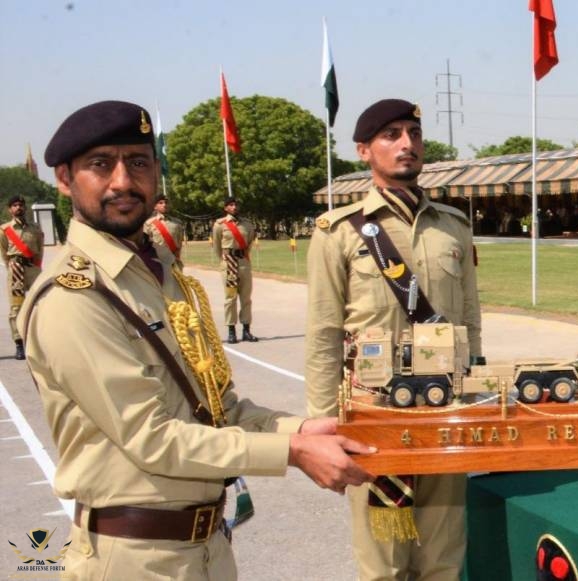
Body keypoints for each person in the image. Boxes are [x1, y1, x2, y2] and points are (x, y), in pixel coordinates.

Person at [20, 100, 375, 580]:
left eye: (139, 163)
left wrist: (300, 430)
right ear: (65, 179)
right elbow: (154, 439)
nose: (123, 181)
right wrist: (292, 453)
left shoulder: (158, 273)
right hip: (135, 559)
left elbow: (216, 411)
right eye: (101, 164)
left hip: (205, 548)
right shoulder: (74, 296)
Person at [305, 99, 482, 581]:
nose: (407, 144)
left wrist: (478, 391)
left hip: (444, 411)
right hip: (374, 416)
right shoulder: (338, 232)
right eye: (391, 135)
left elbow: (470, 319)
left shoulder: (453, 226)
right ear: (364, 150)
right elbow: (323, 334)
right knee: (383, 565)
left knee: (444, 559)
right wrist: (323, 423)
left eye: (414, 134)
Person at [1, 194, 43, 360]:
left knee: (39, 304)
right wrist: (11, 266)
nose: (18, 207)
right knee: (16, 308)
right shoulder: (5, 230)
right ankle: (19, 344)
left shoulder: (35, 228)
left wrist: (38, 268)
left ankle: (38, 341)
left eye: (20, 205)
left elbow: (40, 249)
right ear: (10, 209)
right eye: (14, 205)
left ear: (25, 207)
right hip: (16, 271)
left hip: (33, 270)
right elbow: (4, 253)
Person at [212, 197, 258, 343]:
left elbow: (249, 243)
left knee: (246, 298)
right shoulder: (220, 225)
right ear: (226, 208)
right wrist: (224, 261)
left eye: (236, 204)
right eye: (231, 205)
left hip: (244, 262)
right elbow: (217, 246)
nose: (234, 207)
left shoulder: (248, 225)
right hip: (229, 263)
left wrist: (243, 257)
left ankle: (246, 331)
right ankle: (231, 331)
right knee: (230, 298)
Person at [143, 193, 184, 263]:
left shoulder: (177, 223)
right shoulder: (148, 224)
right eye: (160, 203)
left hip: (174, 261)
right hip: (157, 262)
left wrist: (178, 257)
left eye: (166, 203)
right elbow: (145, 245)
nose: (164, 205)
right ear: (155, 206)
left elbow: (179, 243)